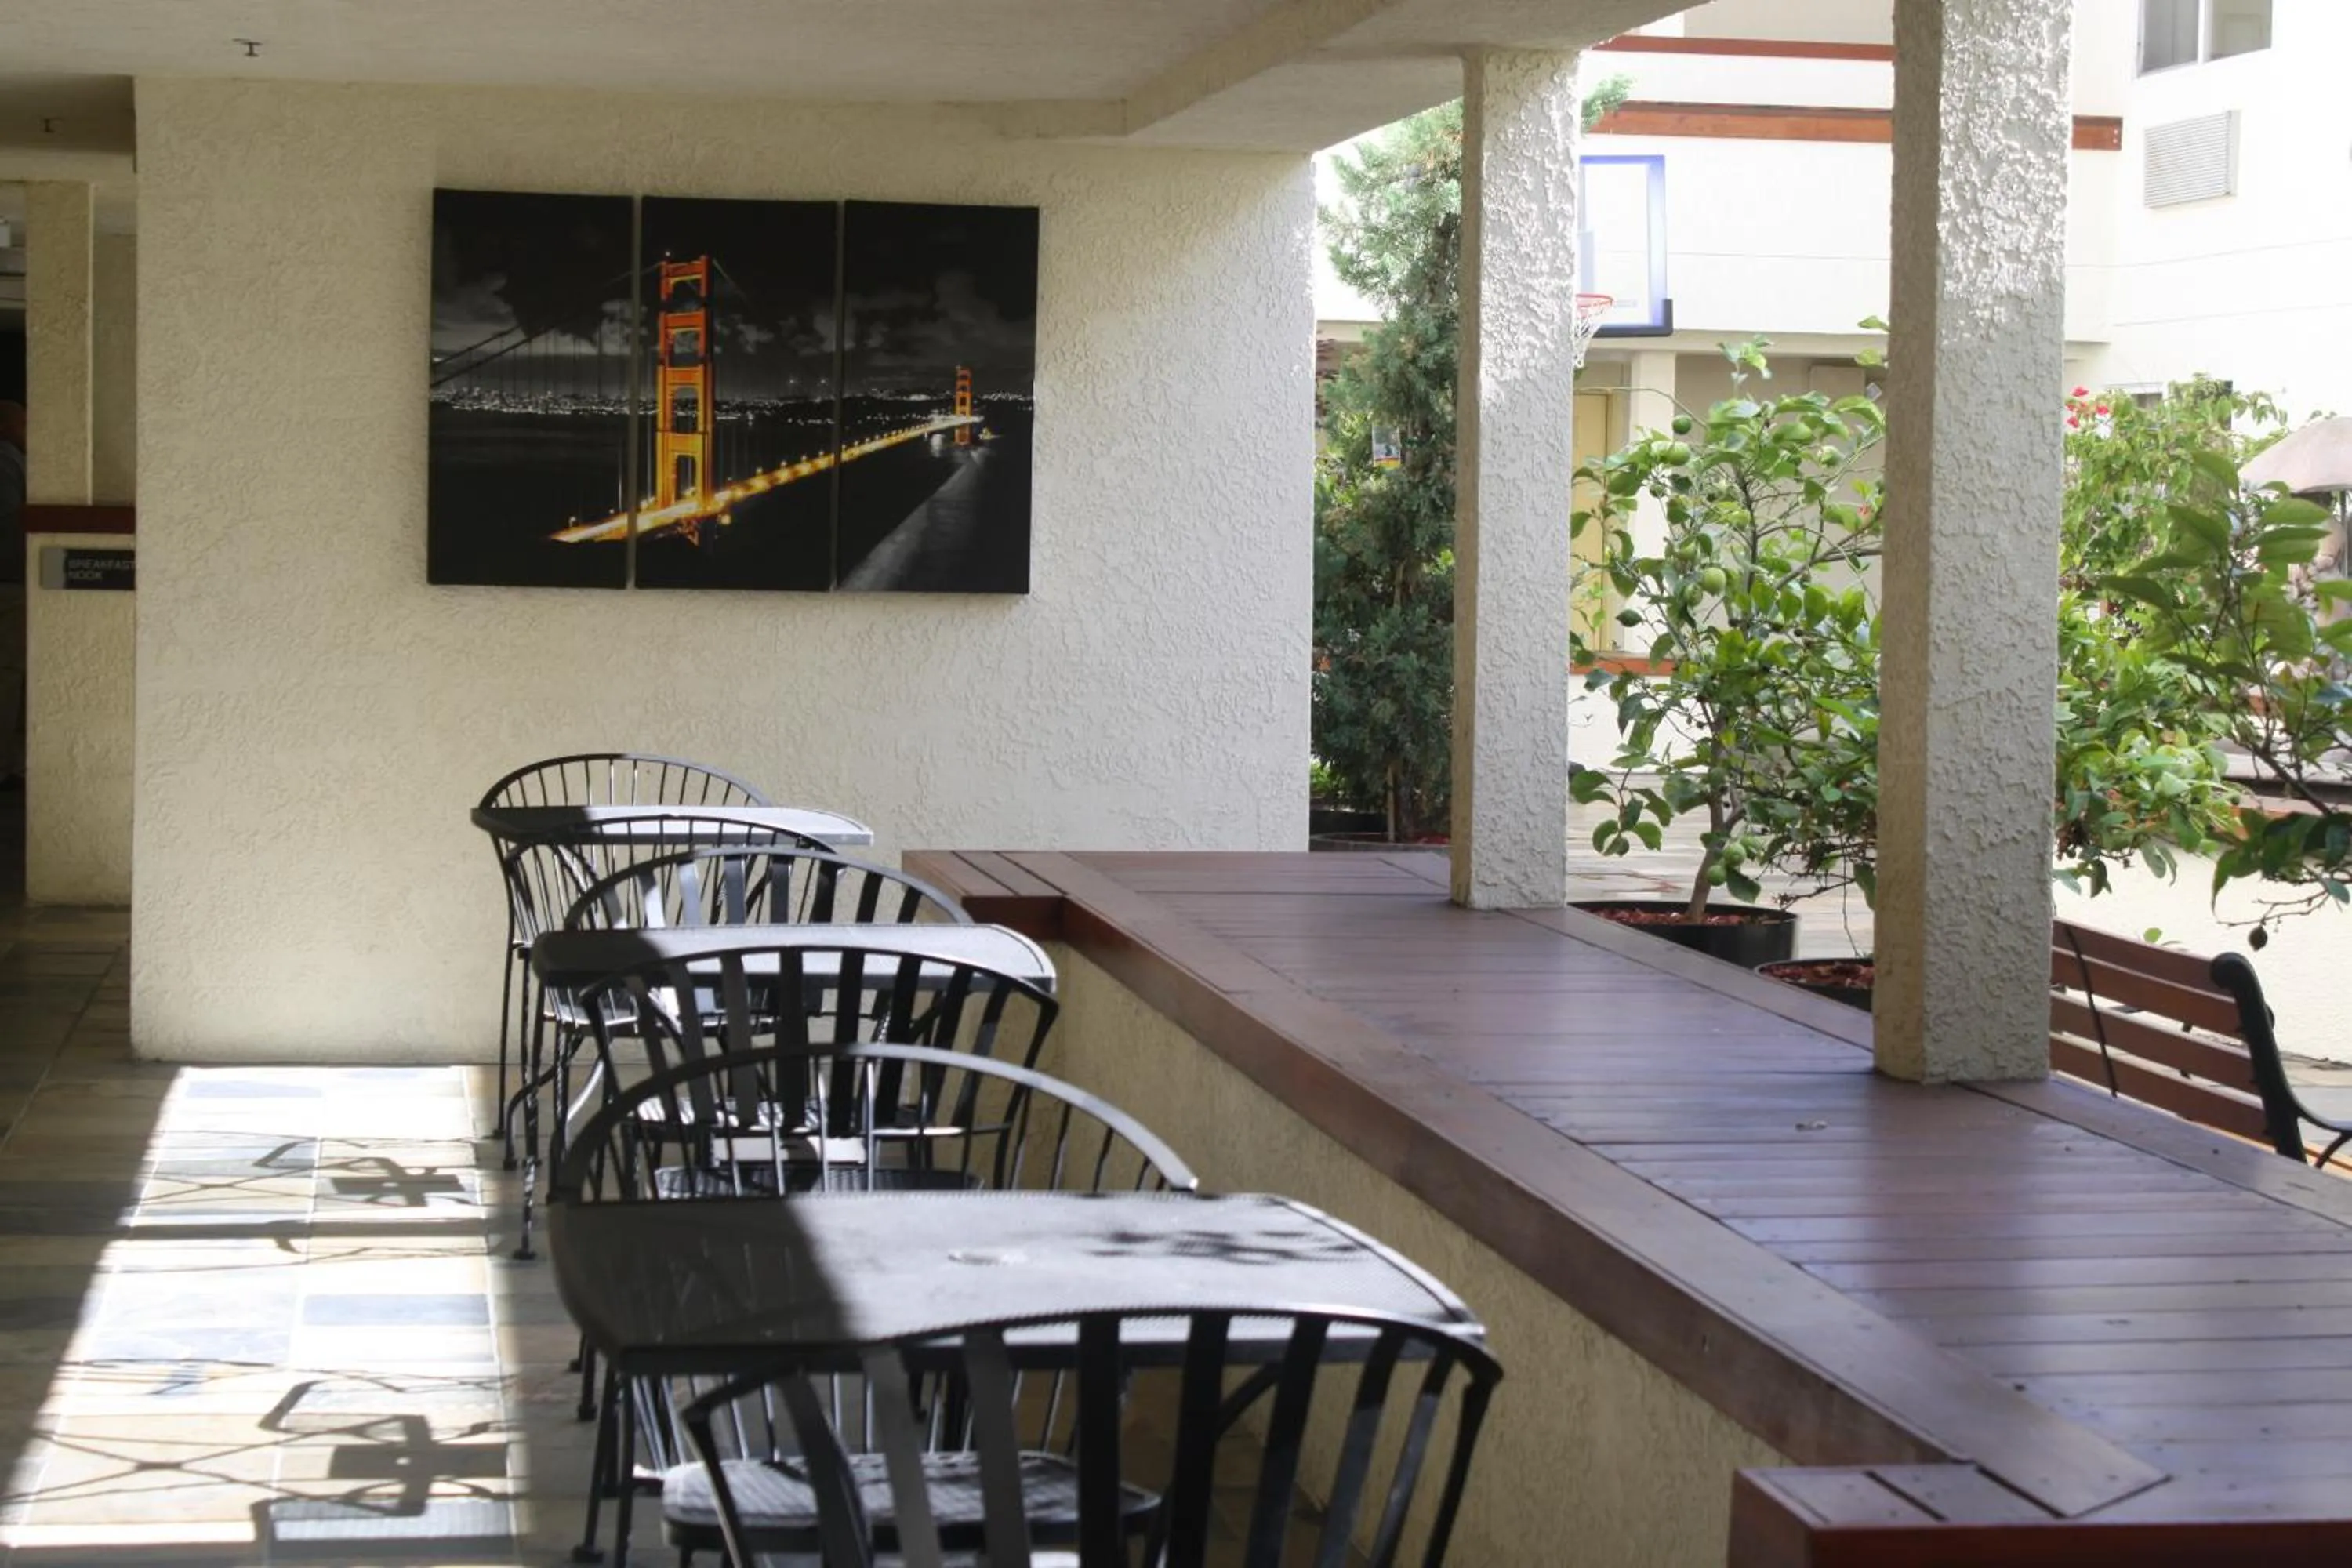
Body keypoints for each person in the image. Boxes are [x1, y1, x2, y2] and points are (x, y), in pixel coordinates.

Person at [0, 400, 23, 789]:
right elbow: (10, 519)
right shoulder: (5, 459)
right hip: (9, 582)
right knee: (8, 674)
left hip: (13, 580)